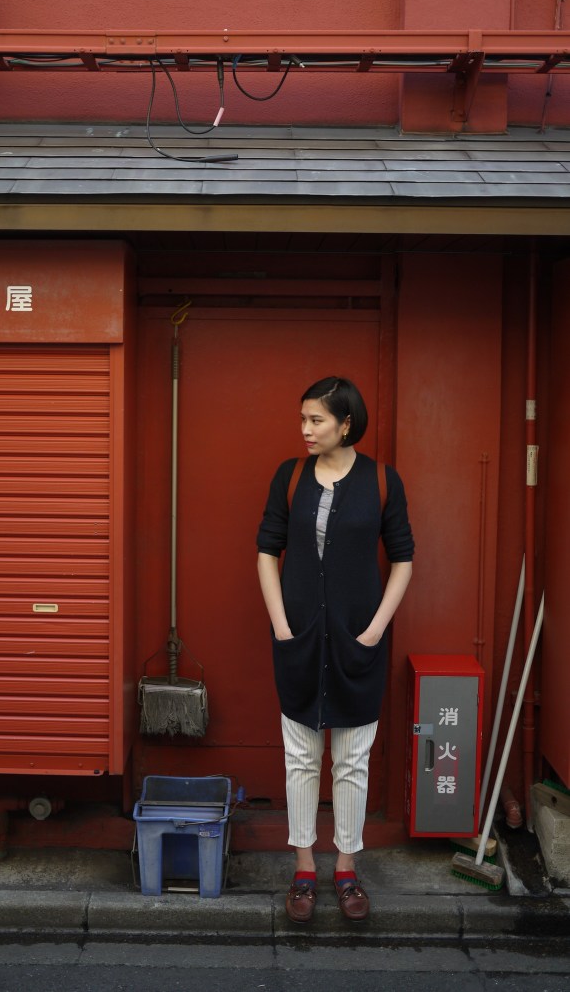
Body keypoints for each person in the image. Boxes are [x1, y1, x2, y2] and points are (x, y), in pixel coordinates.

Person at [256, 376, 414, 924]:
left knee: (351, 763)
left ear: (346, 423)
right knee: (301, 759)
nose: (305, 430)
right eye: (302, 419)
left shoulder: (381, 481)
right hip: (298, 642)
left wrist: (373, 630)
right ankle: (304, 868)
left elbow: (404, 559)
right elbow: (266, 551)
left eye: (316, 420)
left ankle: (346, 870)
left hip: (356, 645)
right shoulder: (291, 476)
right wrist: (281, 624)